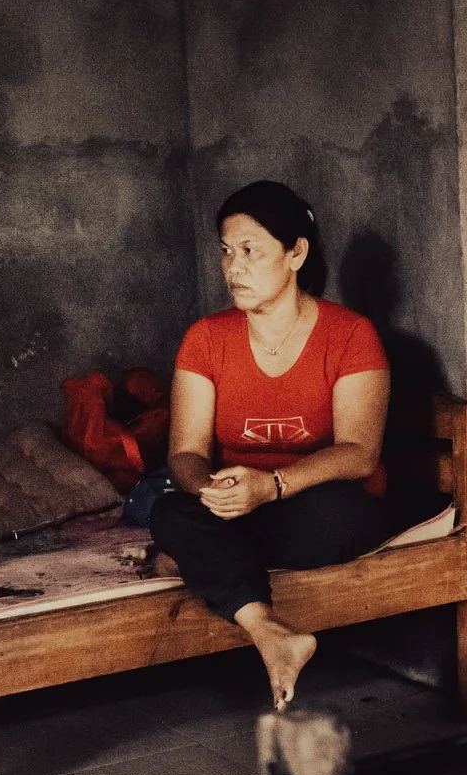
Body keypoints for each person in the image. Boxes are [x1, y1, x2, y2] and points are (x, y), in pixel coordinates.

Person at [152, 181, 393, 710]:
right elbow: (186, 453)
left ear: (296, 252)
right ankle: (268, 629)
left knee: (341, 515)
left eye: (249, 251)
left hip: (317, 502)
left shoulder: (351, 334)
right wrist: (210, 490)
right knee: (172, 509)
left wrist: (273, 486)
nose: (232, 267)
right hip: (238, 504)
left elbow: (359, 452)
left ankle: (202, 562)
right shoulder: (206, 338)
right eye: (225, 251)